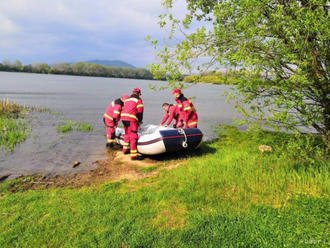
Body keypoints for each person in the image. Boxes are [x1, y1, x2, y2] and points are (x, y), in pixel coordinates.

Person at [120, 88, 144, 160]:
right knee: (133, 136)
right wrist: (139, 121)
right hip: (131, 119)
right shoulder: (138, 100)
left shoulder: (127, 100)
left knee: (127, 134)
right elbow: (140, 112)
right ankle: (133, 155)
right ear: (139, 93)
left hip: (123, 118)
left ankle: (125, 150)